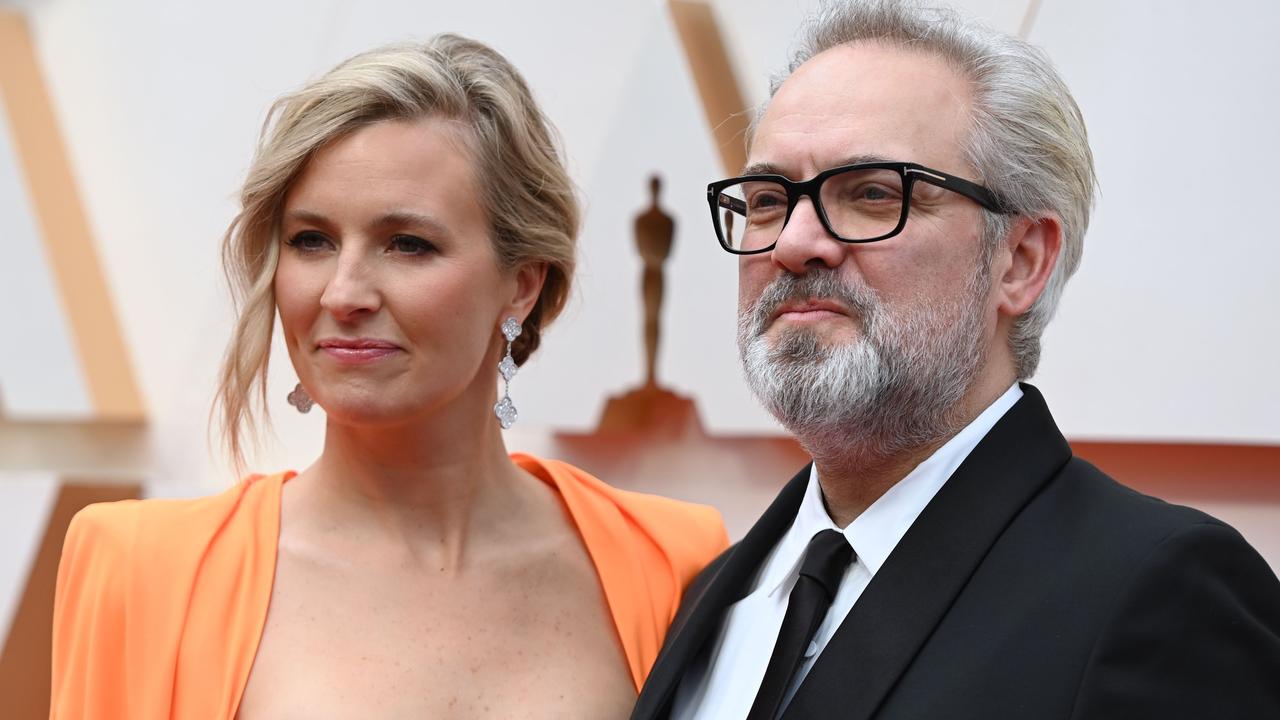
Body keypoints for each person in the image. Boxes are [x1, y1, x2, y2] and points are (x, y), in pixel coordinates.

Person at [633, 2, 1280, 719]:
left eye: (873, 194)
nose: (793, 242)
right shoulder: (712, 595)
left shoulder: (1162, 595)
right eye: (766, 199)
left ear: (1021, 261)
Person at [50, 35, 727, 719]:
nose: (343, 293)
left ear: (522, 286)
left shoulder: (674, 563)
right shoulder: (141, 571)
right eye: (311, 240)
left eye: (408, 244)